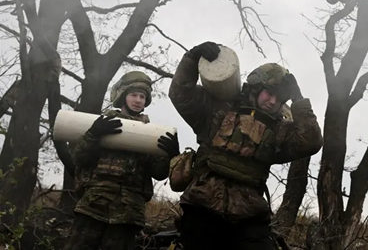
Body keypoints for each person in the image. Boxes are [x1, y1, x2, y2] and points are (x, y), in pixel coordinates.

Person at [169, 41, 323, 250]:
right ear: (255, 89)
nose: (272, 100)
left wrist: (298, 100)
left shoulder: (279, 129)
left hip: (249, 216)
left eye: (279, 97)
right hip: (202, 207)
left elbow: (311, 142)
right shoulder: (217, 110)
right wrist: (193, 57)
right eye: (269, 92)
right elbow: (181, 93)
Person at [66, 71, 180, 250]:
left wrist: (172, 156)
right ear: (122, 96)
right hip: (94, 204)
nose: (138, 100)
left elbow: (158, 173)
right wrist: (93, 134)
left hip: (128, 211)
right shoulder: (103, 124)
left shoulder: (149, 133)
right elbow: (80, 157)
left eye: (142, 96)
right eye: (133, 95)